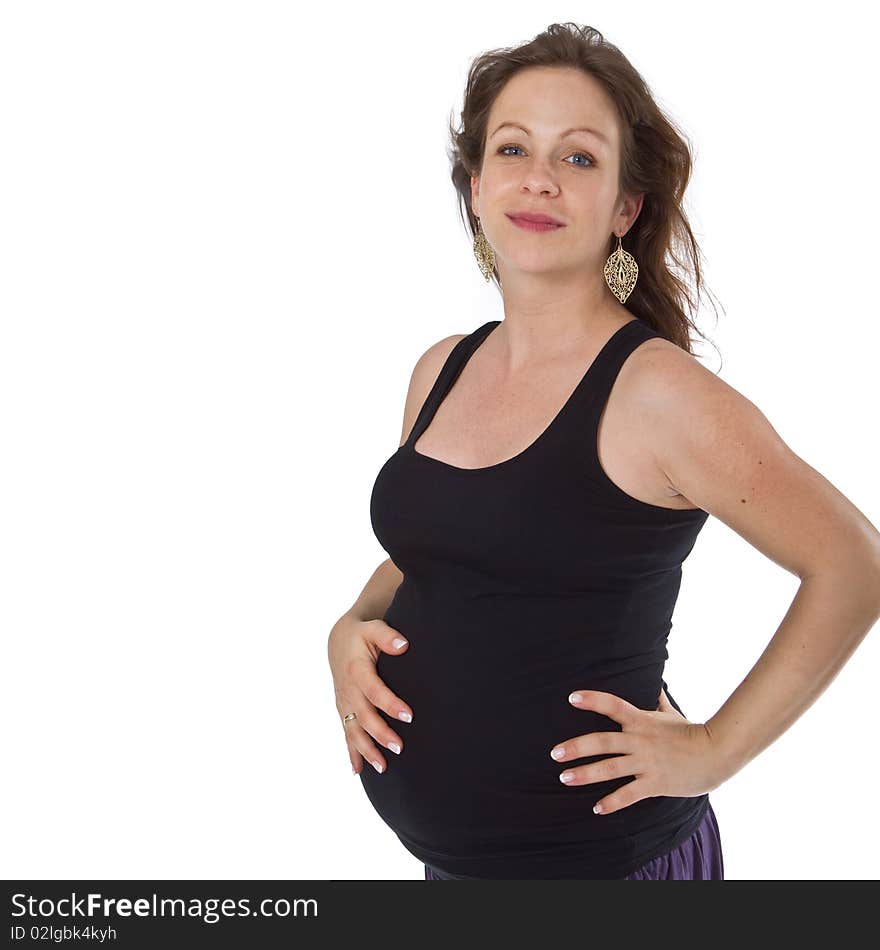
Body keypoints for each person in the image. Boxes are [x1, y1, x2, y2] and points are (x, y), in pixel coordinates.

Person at [327, 23, 880, 880]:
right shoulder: (442, 367)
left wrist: (713, 751)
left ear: (626, 206)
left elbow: (853, 563)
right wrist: (350, 629)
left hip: (603, 870)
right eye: (513, 149)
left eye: (579, 158)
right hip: (454, 870)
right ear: (476, 187)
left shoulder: (657, 395)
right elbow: (431, 555)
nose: (539, 178)